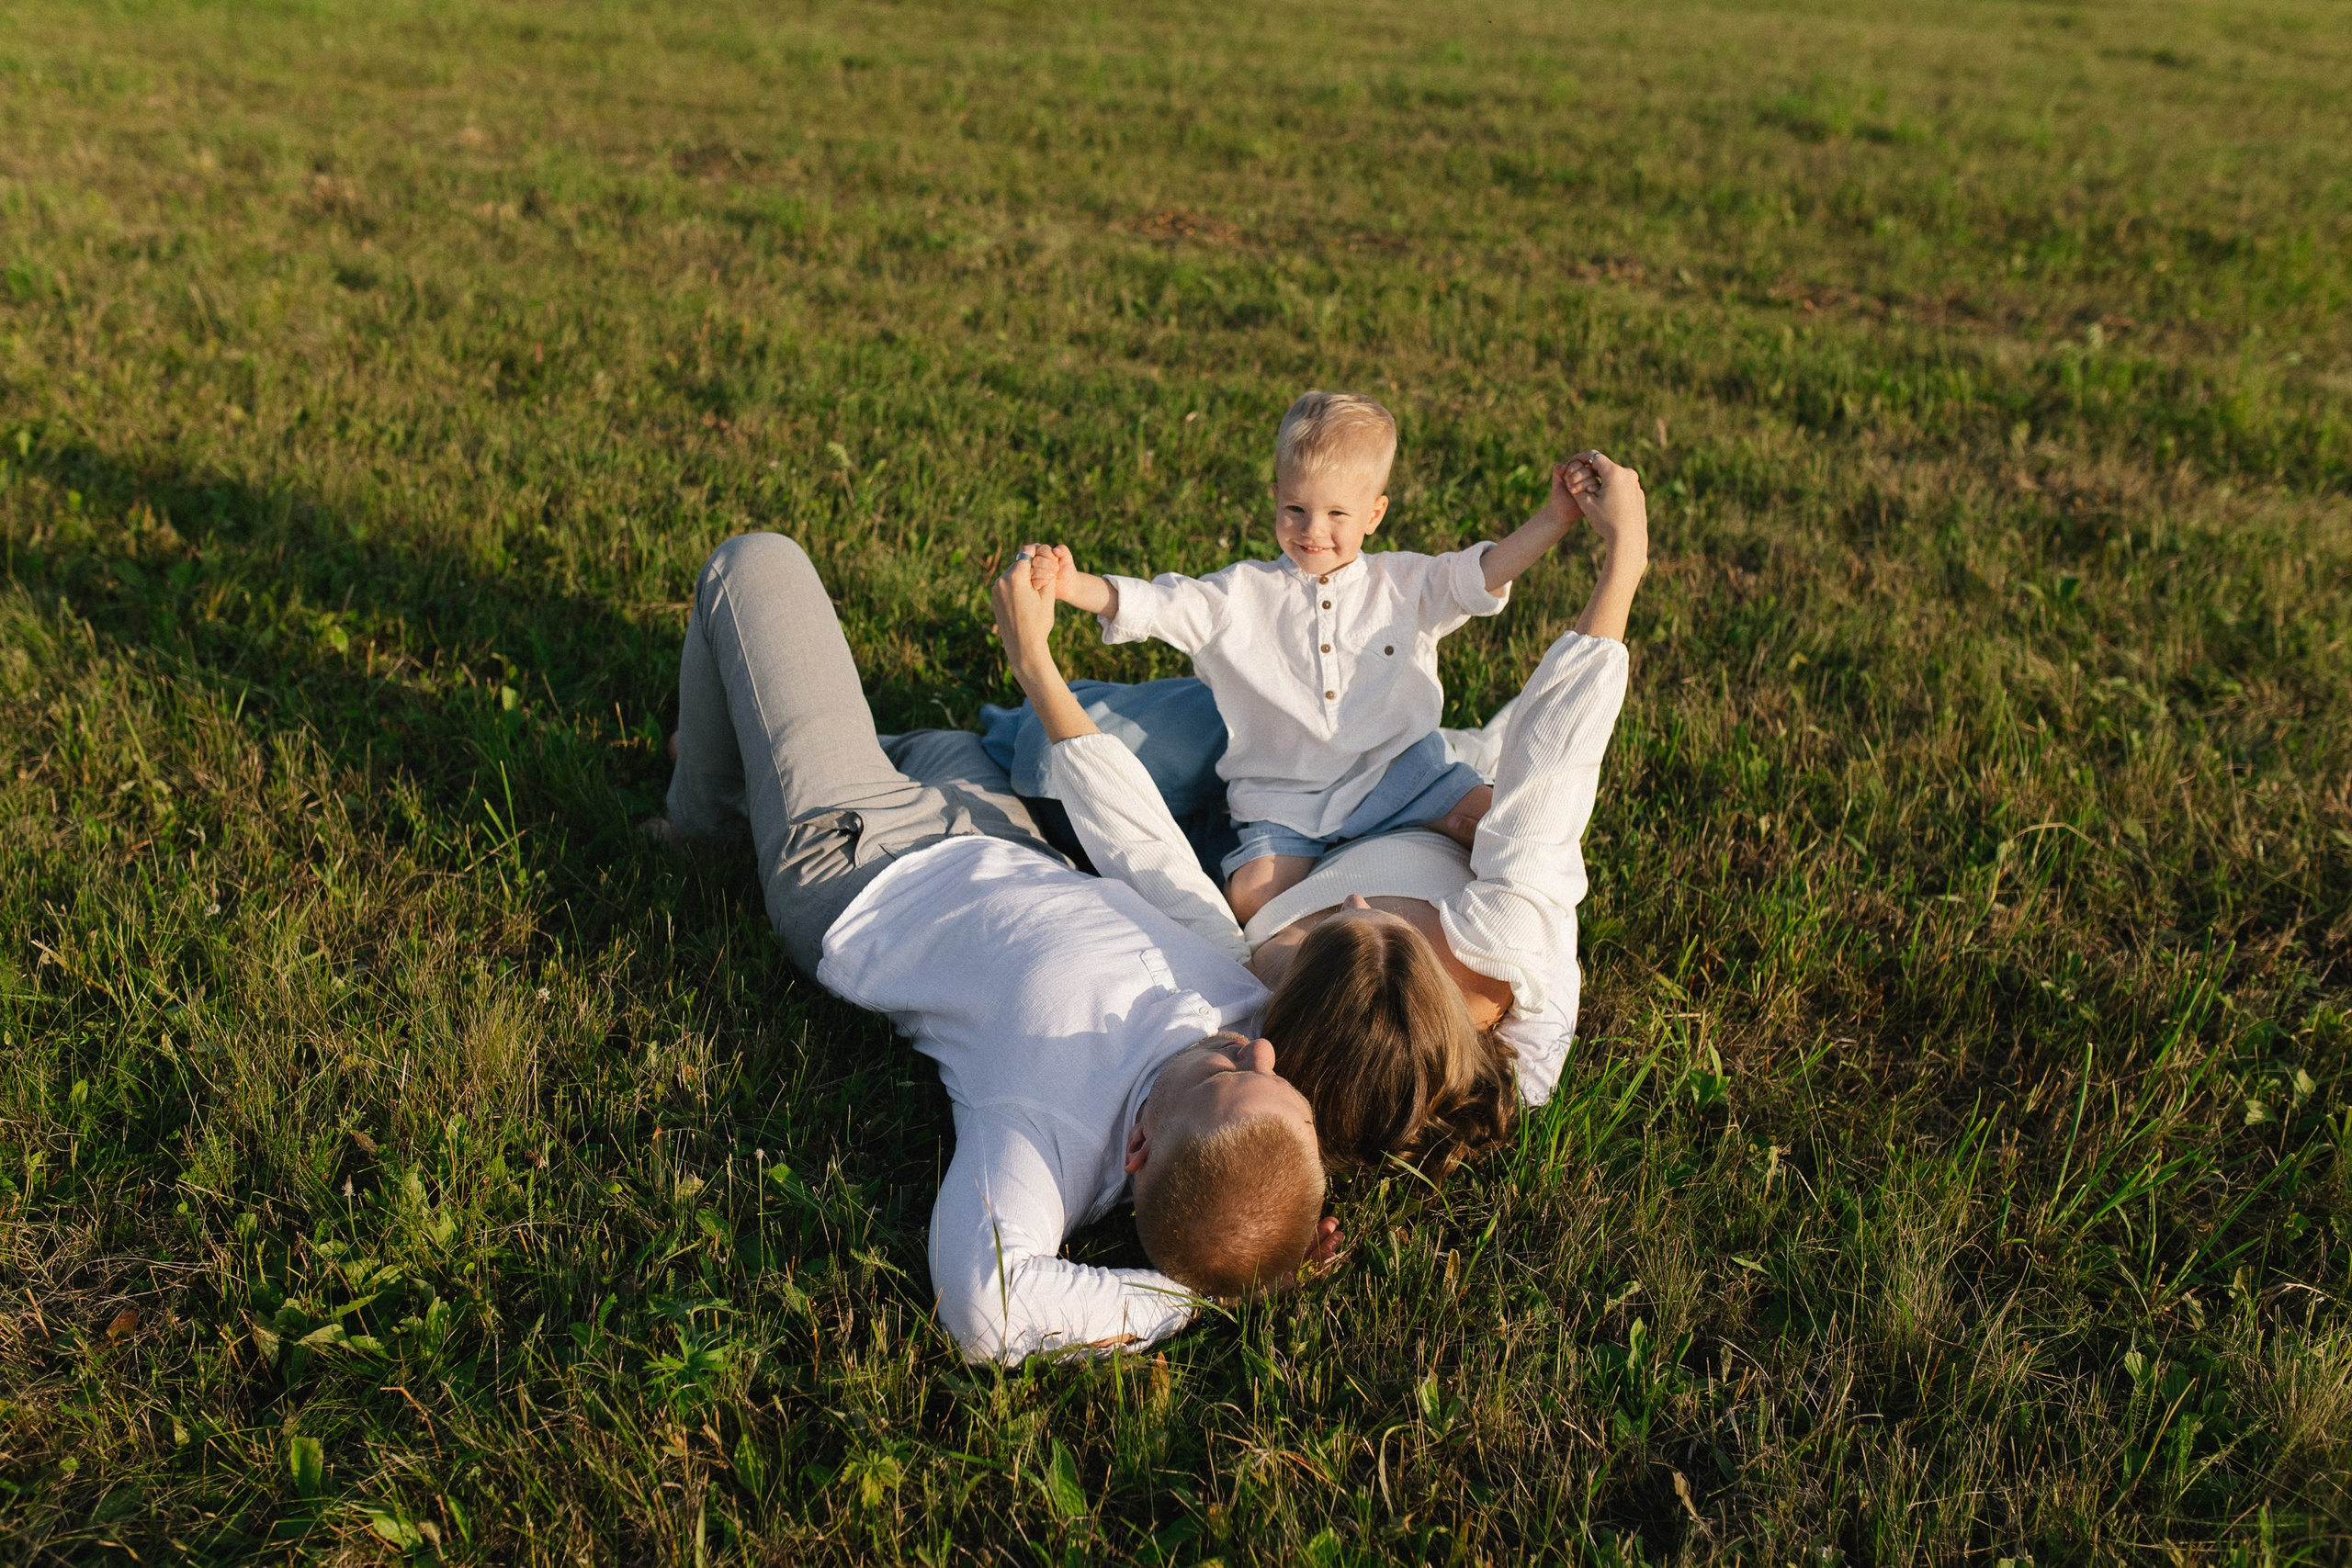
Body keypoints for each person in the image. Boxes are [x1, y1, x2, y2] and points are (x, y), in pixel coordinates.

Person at [653, 533, 1338, 1363]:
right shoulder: (1251, 1052)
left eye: (1229, 1074)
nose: (1261, 1047)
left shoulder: (1047, 1133)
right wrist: (1261, 1250)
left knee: (755, 567)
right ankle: (759, 755)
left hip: (863, 857)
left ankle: (703, 822)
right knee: (934, 738)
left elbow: (987, 1308)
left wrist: (1190, 1297)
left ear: (1139, 1147)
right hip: (999, 825)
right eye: (1290, 1096)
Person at [993, 450, 1650, 1176]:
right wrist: (1626, 553)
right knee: (1037, 745)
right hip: (1376, 767)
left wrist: (1035, 664)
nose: (1357, 897)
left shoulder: (1252, 1002)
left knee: (1042, 763)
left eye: (1336, 927)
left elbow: (1149, 855)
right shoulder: (1511, 949)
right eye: (1392, 928)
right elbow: (1556, 754)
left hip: (1274, 801)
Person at [1032, 389, 1591, 923]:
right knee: (1251, 899)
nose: (1312, 531)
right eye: (1296, 508)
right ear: (1276, 496)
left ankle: (1519, 911)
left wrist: (1556, 517)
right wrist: (1073, 585)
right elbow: (1161, 604)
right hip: (1286, 797)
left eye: (1337, 514)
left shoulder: (1405, 584)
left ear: (1373, 514)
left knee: (1504, 822)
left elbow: (1484, 572)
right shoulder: (1240, 595)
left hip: (1400, 770)